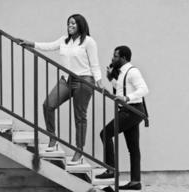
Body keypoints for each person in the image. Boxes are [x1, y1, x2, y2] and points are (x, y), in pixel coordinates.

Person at [19, 14, 103, 165]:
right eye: (69, 23)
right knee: (48, 105)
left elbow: (94, 64)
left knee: (80, 117)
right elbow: (49, 46)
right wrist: (30, 44)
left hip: (84, 80)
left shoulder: (89, 42)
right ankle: (53, 138)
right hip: (66, 79)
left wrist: (99, 82)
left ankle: (79, 151)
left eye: (73, 24)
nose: (70, 26)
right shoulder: (64, 40)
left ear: (81, 25)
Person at [95, 46, 148, 190]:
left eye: (116, 56)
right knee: (133, 148)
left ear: (124, 58)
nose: (113, 58)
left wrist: (126, 98)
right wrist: (110, 78)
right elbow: (121, 88)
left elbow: (144, 89)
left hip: (131, 110)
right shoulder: (123, 73)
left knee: (105, 133)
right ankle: (135, 182)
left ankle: (111, 169)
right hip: (132, 111)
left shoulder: (133, 72)